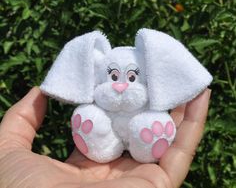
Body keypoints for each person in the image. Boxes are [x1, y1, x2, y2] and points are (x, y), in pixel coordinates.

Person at [0, 87, 211, 188]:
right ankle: (90, 133)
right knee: (92, 117)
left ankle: (151, 138)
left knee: (149, 123)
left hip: (140, 119)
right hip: (109, 127)